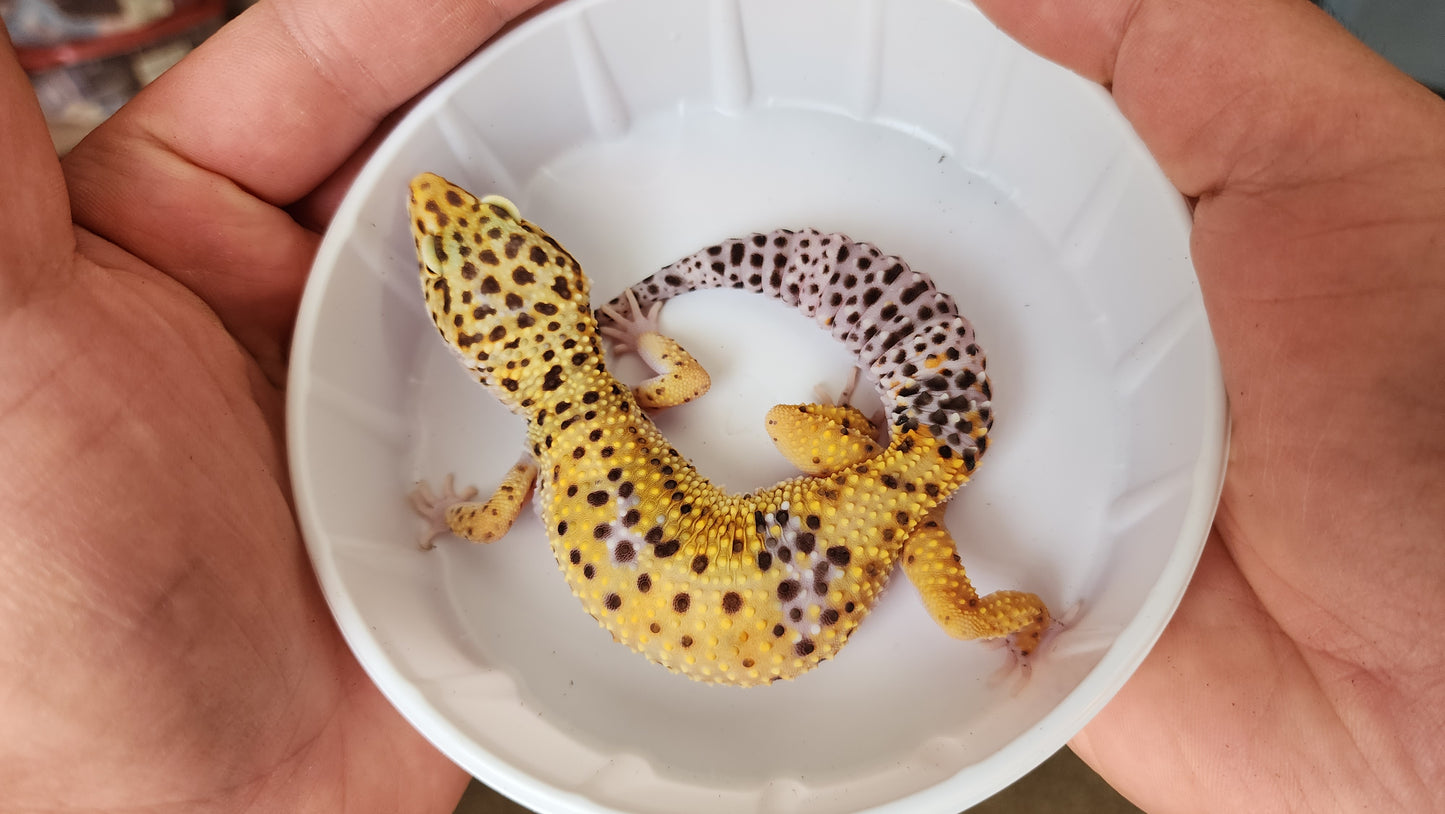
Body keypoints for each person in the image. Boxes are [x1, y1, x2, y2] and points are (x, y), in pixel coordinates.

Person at [1, 0, 1440, 810]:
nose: (443, 220)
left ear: (499, 333)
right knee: (889, 470)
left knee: (940, 550)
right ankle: (981, 587)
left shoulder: (548, 454)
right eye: (456, 244)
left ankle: (995, 608)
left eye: (459, 241)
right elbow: (677, 379)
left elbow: (500, 502)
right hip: (839, 516)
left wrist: (446, 514)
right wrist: (758, 400)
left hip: (848, 546)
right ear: (543, 295)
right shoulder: (626, 406)